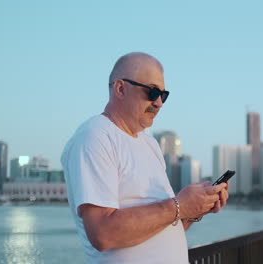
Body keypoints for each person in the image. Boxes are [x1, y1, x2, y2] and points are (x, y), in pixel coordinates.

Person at [61, 52, 229, 263]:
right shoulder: (95, 136)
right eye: (152, 92)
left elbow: (164, 223)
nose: (159, 102)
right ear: (120, 88)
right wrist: (180, 205)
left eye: (163, 95)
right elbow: (102, 233)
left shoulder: (149, 144)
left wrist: (195, 209)